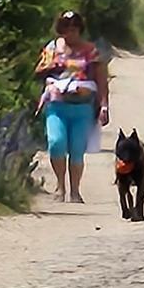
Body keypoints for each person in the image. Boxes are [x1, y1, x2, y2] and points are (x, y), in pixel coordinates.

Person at [34, 10, 109, 203]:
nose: (70, 33)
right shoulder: (52, 48)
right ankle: (60, 186)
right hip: (57, 104)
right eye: (66, 29)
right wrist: (53, 66)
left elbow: (101, 79)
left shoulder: (91, 51)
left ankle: (75, 191)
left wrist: (103, 105)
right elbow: (39, 70)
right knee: (56, 142)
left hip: (82, 106)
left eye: (74, 29)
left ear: (80, 30)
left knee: (77, 149)